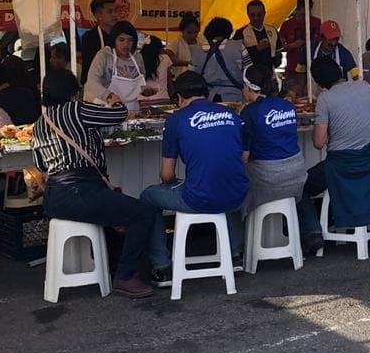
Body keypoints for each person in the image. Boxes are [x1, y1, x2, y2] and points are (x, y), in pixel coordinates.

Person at [32, 68, 156, 298]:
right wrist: (114, 99)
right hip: (80, 190)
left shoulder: (40, 123)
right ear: (72, 91)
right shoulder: (77, 110)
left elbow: (40, 165)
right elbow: (118, 115)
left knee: (109, 219)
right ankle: (126, 275)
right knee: (143, 213)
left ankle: (113, 267)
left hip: (54, 197)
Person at [140, 71, 249, 285]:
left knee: (148, 197)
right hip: (238, 193)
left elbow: (167, 175)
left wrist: (178, 182)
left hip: (199, 197)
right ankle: (235, 255)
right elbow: (243, 158)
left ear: (180, 97)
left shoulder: (176, 120)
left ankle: (162, 267)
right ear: (206, 93)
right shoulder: (233, 115)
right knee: (226, 185)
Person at [306, 57, 370, 238]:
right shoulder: (365, 87)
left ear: (318, 82)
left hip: (340, 167)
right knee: (362, 185)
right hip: (368, 162)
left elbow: (318, 143)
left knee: (300, 186)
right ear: (339, 71)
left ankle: (313, 232)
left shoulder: (325, 99)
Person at [238, 63, 312, 246]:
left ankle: (237, 243)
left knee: (233, 183)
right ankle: (309, 231)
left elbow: (244, 158)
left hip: (267, 180)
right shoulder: (287, 106)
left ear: (248, 87)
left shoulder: (250, 112)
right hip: (297, 176)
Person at [84, 20, 159, 114]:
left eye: (130, 40)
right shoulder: (104, 55)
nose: (126, 44)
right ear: (114, 40)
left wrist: (145, 90)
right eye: (121, 40)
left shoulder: (137, 57)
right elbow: (92, 81)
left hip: (132, 109)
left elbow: (141, 81)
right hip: (107, 107)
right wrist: (109, 96)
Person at [198, 17, 247, 103]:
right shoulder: (239, 46)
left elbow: (192, 76)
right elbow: (249, 71)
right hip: (234, 96)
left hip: (207, 97)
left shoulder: (196, 49)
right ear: (228, 31)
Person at [78, 0, 120, 84]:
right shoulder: (89, 38)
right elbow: (91, 66)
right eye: (110, 11)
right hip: (95, 85)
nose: (115, 15)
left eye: (116, 11)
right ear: (98, 15)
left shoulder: (121, 35)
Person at [279, 0, 321, 78]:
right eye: (302, 14)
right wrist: (293, 45)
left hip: (314, 69)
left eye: (308, 15)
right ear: (297, 10)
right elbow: (279, 47)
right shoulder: (287, 24)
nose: (305, 18)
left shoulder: (318, 23)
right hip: (293, 69)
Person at [238, 0, 280, 71]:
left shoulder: (272, 30)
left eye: (259, 15)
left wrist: (277, 60)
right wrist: (256, 48)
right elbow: (236, 56)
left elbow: (278, 50)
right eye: (252, 15)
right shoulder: (240, 32)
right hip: (250, 74)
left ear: (264, 14)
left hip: (270, 73)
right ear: (248, 14)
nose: (256, 18)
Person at [138, 35, 172, 105]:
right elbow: (169, 81)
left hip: (141, 100)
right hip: (162, 98)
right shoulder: (165, 58)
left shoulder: (138, 59)